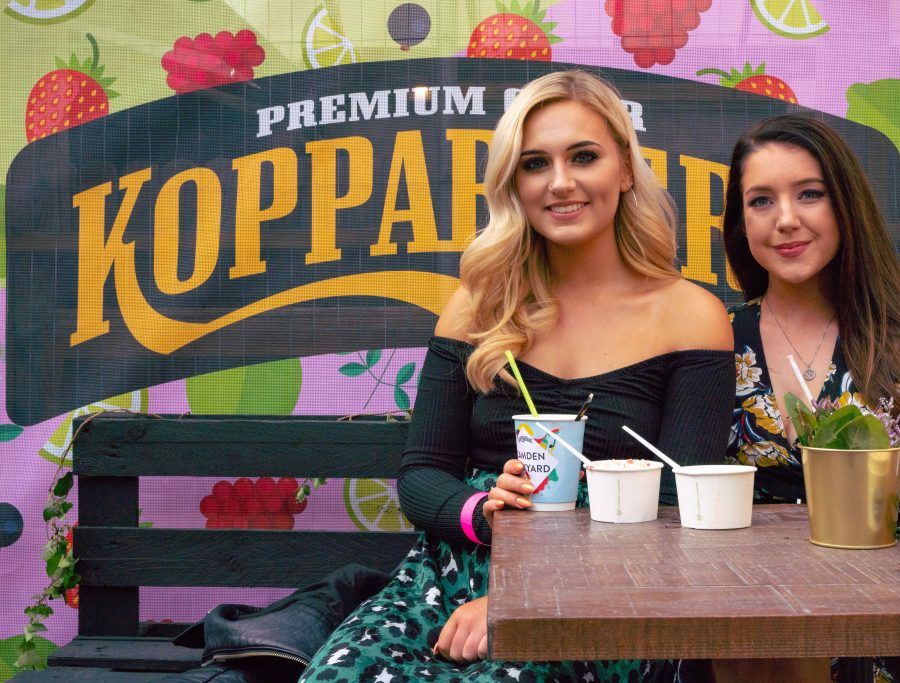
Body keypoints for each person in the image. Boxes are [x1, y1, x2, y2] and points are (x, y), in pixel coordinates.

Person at [299, 70, 734, 682]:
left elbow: (682, 507)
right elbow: (421, 474)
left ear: (626, 170)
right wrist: (481, 509)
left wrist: (529, 594)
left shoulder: (691, 315)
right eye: (535, 163)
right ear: (514, 183)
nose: (561, 182)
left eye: (584, 156)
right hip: (452, 574)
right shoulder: (477, 306)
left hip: (607, 591)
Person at [720, 113, 900, 682]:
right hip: (755, 637)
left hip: (897, 635)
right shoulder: (713, 343)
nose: (786, 220)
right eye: (760, 201)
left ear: (847, 206)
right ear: (739, 222)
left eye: (810, 194)